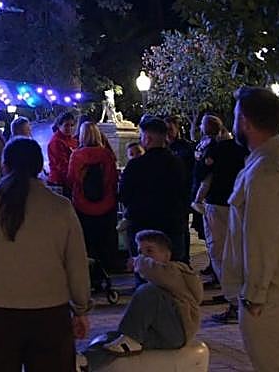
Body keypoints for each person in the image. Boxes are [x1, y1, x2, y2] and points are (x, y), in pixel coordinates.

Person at [0, 137, 90, 371]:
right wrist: (81, 308)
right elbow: (76, 264)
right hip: (51, 314)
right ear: (39, 166)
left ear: (4, 165)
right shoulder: (60, 208)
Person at [223, 86, 279, 372]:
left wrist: (254, 296)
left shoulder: (265, 170)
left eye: (236, 116)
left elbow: (261, 240)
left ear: (245, 122)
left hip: (268, 301)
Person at [94, 229, 203, 356]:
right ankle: (85, 362)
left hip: (179, 332)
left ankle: (130, 338)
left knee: (148, 291)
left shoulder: (175, 271)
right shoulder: (159, 280)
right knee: (109, 340)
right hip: (163, 334)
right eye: (140, 252)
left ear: (167, 255)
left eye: (150, 251)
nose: (143, 256)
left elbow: (157, 272)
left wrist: (137, 261)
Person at [193, 114, 248, 321]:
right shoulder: (240, 148)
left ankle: (233, 300)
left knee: (218, 251)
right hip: (238, 204)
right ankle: (237, 296)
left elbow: (202, 175)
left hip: (217, 204)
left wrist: (197, 198)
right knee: (237, 250)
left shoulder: (212, 149)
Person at [118, 117, 187, 262]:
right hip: (171, 224)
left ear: (147, 138)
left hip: (142, 225)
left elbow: (124, 194)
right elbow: (184, 192)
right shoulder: (177, 163)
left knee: (144, 268)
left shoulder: (136, 165)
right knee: (172, 268)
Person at [68, 122, 119, 275]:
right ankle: (109, 268)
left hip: (83, 205)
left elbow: (71, 179)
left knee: (87, 241)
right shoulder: (106, 154)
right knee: (106, 240)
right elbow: (112, 179)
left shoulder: (76, 155)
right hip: (106, 204)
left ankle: (91, 271)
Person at [165, 115, 196, 269]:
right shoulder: (163, 148)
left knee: (182, 228)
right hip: (167, 195)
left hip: (181, 194)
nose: (168, 133)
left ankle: (184, 261)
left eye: (170, 129)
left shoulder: (185, 148)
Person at [46, 110, 80, 194]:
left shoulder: (73, 140)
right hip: (59, 182)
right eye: (66, 125)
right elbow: (61, 165)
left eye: (72, 125)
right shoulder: (56, 142)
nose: (70, 128)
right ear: (59, 125)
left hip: (69, 180)